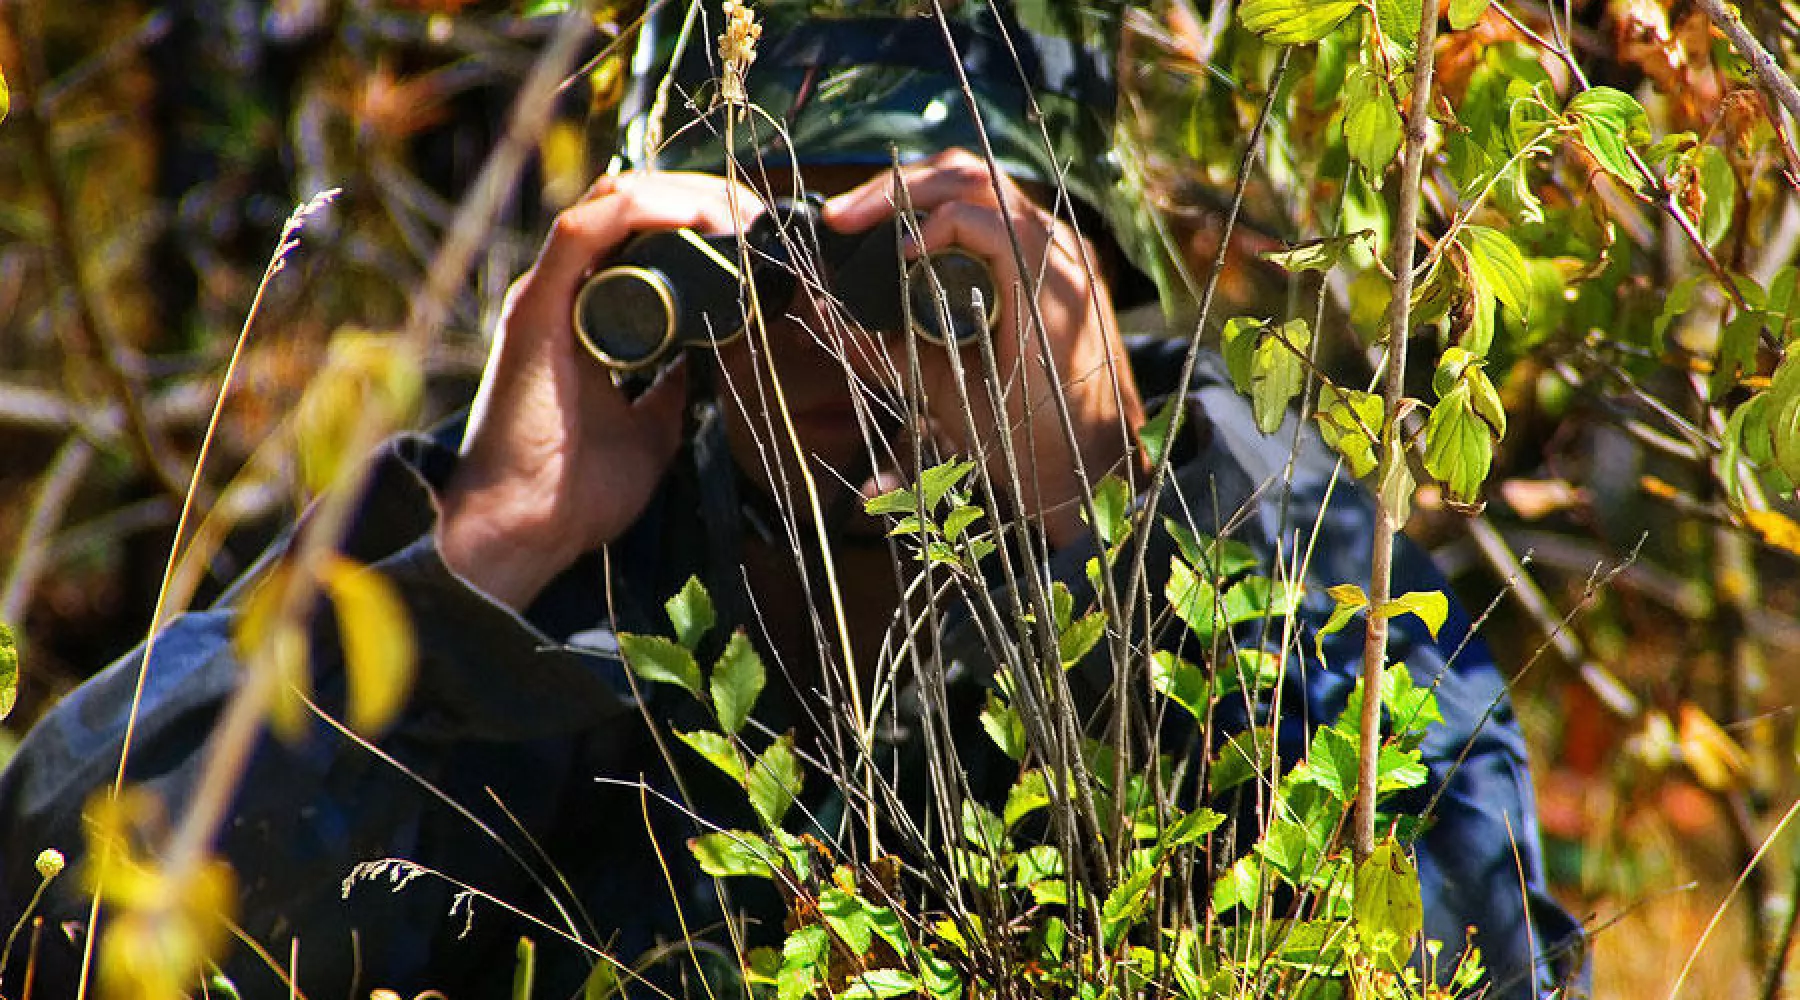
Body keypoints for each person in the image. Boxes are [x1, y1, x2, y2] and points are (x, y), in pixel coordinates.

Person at [0, 4, 1583, 997]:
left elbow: (1481, 959)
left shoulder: (1266, 536)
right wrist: (487, 549)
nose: (847, 338)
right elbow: (53, 914)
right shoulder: (565, 555)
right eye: (769, 270)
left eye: (935, 273)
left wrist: (1096, 528)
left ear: (1082, 271)